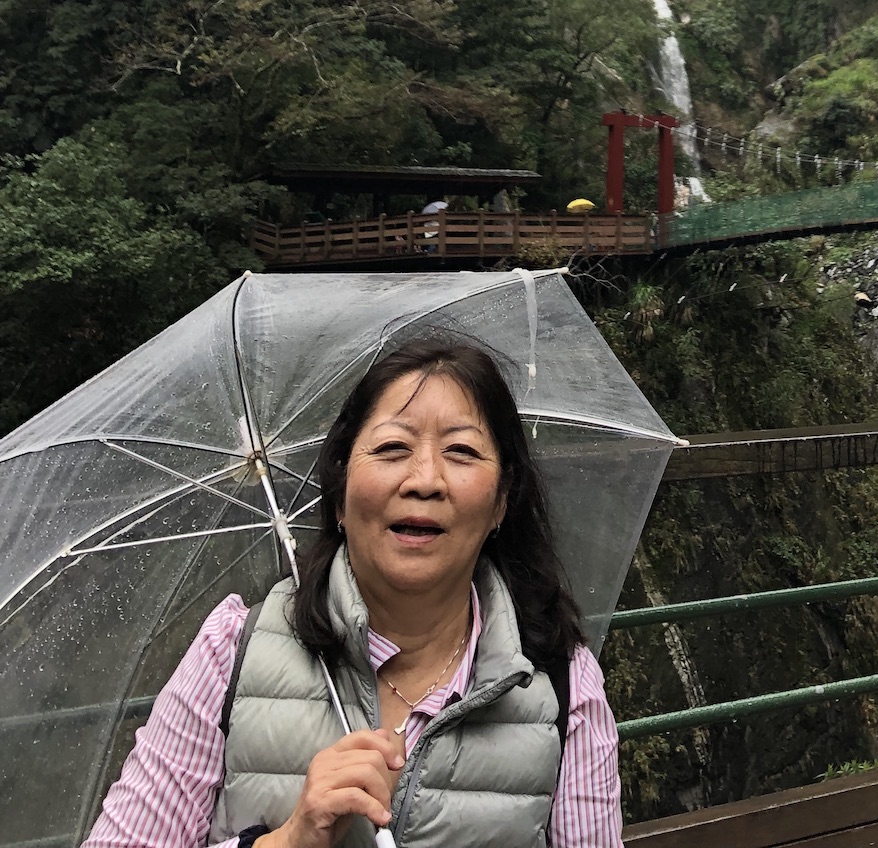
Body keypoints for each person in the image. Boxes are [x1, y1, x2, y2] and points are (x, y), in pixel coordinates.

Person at [85, 337, 622, 848]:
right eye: (392, 447)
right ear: (340, 496)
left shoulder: (561, 683)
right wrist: (288, 840)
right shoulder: (232, 652)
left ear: (501, 502)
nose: (425, 479)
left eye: (461, 451)